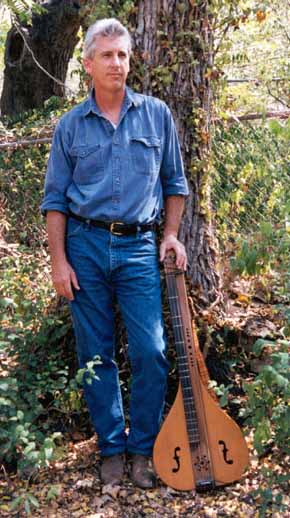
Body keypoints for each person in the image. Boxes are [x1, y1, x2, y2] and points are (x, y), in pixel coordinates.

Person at [41, 18, 188, 488]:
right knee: (95, 353)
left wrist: (170, 234)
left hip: (140, 247)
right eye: (107, 55)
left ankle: (142, 450)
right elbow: (54, 201)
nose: (117, 63)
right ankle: (110, 449)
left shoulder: (157, 115)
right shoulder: (69, 127)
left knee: (151, 351)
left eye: (123, 55)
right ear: (87, 64)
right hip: (84, 249)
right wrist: (58, 261)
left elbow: (175, 184)